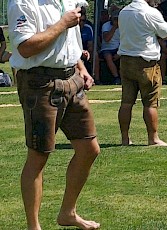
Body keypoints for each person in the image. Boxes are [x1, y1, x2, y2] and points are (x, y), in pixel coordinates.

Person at [7, 0, 101, 229]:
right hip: (40, 83)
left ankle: (68, 213)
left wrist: (82, 70)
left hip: (72, 79)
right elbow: (25, 47)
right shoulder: (22, 3)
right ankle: (34, 226)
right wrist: (62, 24)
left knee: (90, 149)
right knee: (38, 156)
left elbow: (68, 41)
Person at [118, 0, 167, 147]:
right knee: (150, 103)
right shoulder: (150, 12)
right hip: (146, 63)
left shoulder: (123, 12)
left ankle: (125, 139)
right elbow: (166, 33)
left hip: (126, 61)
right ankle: (153, 138)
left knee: (126, 103)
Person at [100, 9, 121, 85]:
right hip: (107, 48)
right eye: (114, 18)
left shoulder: (124, 26)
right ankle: (116, 77)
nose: (116, 20)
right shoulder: (106, 25)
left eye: (118, 18)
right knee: (108, 56)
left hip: (119, 48)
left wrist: (119, 53)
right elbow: (106, 39)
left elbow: (125, 41)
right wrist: (114, 27)